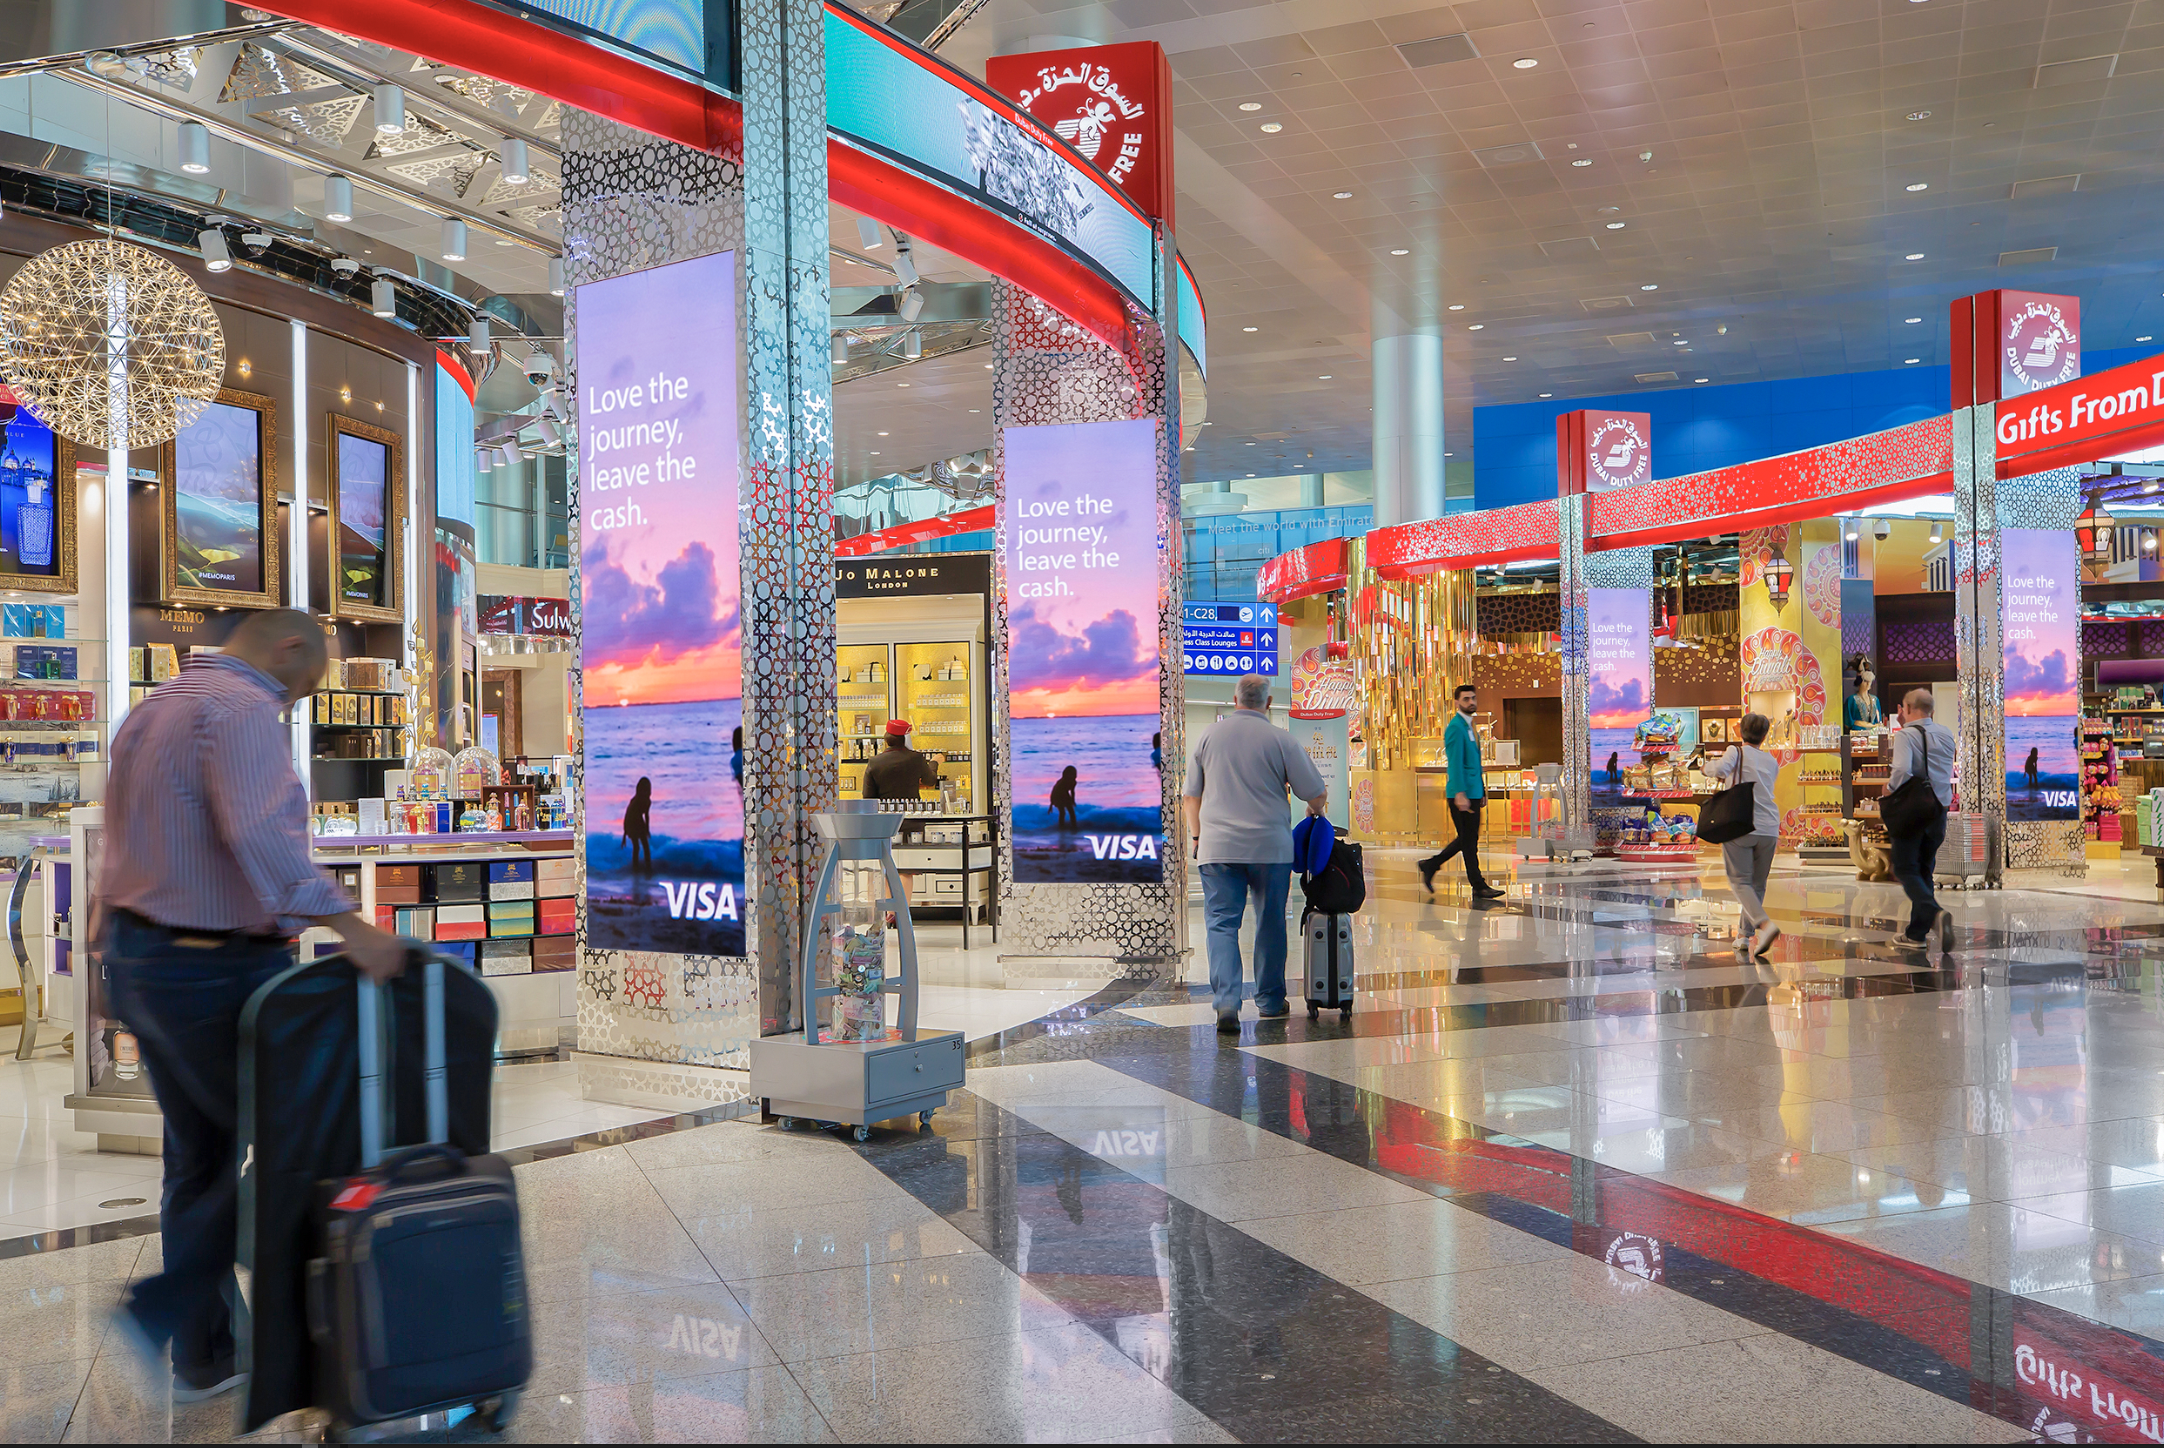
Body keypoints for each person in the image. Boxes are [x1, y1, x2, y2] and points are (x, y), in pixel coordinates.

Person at [94, 609, 407, 1402]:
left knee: (199, 1155)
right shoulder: (241, 712)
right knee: (296, 1142)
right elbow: (266, 838)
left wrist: (108, 955)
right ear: (291, 646)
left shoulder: (152, 710)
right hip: (214, 967)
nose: (300, 701)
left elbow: (119, 842)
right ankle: (162, 1310)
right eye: (308, 685)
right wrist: (350, 924)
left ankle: (205, 1356)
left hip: (145, 959)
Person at [1182, 673, 1329, 1033]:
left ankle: (1227, 1005)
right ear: (1268, 704)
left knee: (1221, 923)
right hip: (1270, 848)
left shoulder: (1207, 737)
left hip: (1218, 848)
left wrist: (1197, 836)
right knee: (1269, 922)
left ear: (1235, 701)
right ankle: (1269, 1000)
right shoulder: (1281, 740)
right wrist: (1314, 811)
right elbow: (1315, 792)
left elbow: (1190, 795)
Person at [1885, 688, 1956, 951]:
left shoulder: (1906, 735)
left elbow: (1902, 769)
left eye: (1903, 707)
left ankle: (1934, 913)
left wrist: (1890, 788)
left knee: (1904, 867)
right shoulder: (1946, 733)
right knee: (1924, 869)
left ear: (1909, 708)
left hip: (1913, 809)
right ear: (1932, 710)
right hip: (1939, 807)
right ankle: (1916, 934)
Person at [1419, 684, 1505, 901]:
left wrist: (1482, 790)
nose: (1471, 702)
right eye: (1466, 699)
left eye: (1473, 698)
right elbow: (1455, 763)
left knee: (1468, 839)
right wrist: (1459, 792)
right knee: (1469, 841)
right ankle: (1478, 885)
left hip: (1473, 791)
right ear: (1457, 702)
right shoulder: (1456, 727)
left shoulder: (1469, 725)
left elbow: (1475, 762)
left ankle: (1431, 865)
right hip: (1462, 793)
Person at [1710, 712, 1782, 957]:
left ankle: (1765, 925)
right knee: (1757, 884)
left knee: (1740, 881)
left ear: (1741, 731)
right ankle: (1744, 936)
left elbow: (1719, 769)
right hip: (1770, 827)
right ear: (1764, 735)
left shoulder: (1735, 751)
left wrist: (1704, 766)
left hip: (1741, 823)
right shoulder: (1772, 761)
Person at [862, 719, 940, 909]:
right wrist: (935, 763)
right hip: (911, 819)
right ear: (905, 738)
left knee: (885, 866)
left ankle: (886, 912)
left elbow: (868, 796)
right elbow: (930, 780)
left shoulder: (875, 761)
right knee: (906, 868)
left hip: (884, 821)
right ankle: (902, 914)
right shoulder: (915, 758)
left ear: (887, 739)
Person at [622, 776, 653, 870]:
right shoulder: (635, 802)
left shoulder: (648, 802)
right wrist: (625, 833)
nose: (645, 792)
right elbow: (627, 815)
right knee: (636, 846)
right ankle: (635, 868)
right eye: (643, 790)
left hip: (640, 822)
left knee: (646, 846)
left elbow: (646, 816)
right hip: (631, 823)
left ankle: (648, 867)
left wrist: (647, 829)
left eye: (647, 790)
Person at [1844, 660, 1882, 732]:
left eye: (1869, 681)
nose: (1868, 684)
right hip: (1857, 736)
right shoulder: (1851, 700)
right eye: (1865, 681)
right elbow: (1848, 722)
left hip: (1874, 736)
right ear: (1859, 682)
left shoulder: (1875, 699)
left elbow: (1879, 721)